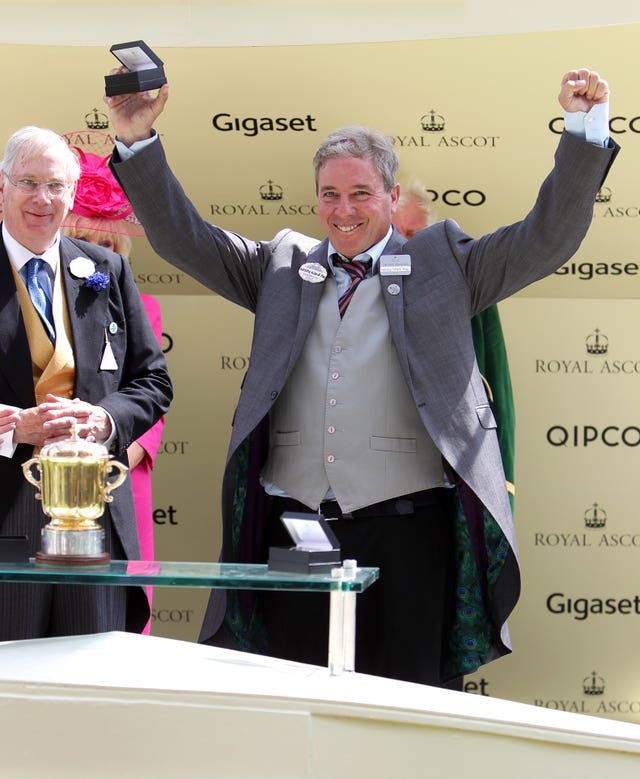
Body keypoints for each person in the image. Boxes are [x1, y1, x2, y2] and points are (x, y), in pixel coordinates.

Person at [105, 67, 617, 687]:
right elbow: (185, 239)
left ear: (392, 195)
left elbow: (548, 238)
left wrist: (584, 129)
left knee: (407, 708)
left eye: (361, 194)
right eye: (329, 194)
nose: (342, 211)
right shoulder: (281, 266)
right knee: (296, 698)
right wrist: (137, 141)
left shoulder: (444, 264)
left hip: (409, 536)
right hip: (297, 533)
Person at [0, 126, 172, 639]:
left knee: (89, 672)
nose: (42, 198)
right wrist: (11, 428)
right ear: (2, 187)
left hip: (90, 518)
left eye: (55, 186)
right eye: (28, 182)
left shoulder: (105, 268)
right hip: (5, 517)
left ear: (71, 195)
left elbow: (152, 382)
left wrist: (103, 419)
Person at [61, 148, 166, 633]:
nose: (90, 249)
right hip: (46, 464)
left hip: (117, 463)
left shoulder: (137, 301)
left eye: (101, 239)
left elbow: (150, 384)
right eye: (79, 236)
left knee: (122, 597)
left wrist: (129, 445)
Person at [393, 183, 515, 507]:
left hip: (446, 481)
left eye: (412, 231)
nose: (402, 242)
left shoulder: (467, 289)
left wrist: (500, 484)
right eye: (392, 232)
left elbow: (495, 390)